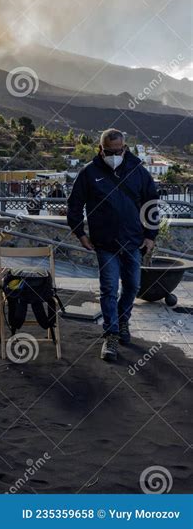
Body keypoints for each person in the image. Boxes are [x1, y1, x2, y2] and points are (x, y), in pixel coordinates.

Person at [67, 128, 159, 362]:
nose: (116, 154)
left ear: (125, 147)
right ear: (101, 149)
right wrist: (80, 234)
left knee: (132, 286)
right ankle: (112, 334)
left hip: (134, 241)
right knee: (109, 288)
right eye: (111, 151)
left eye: (120, 150)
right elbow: (74, 204)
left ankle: (122, 320)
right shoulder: (89, 173)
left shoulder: (138, 171)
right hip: (105, 243)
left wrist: (150, 236)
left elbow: (151, 203)